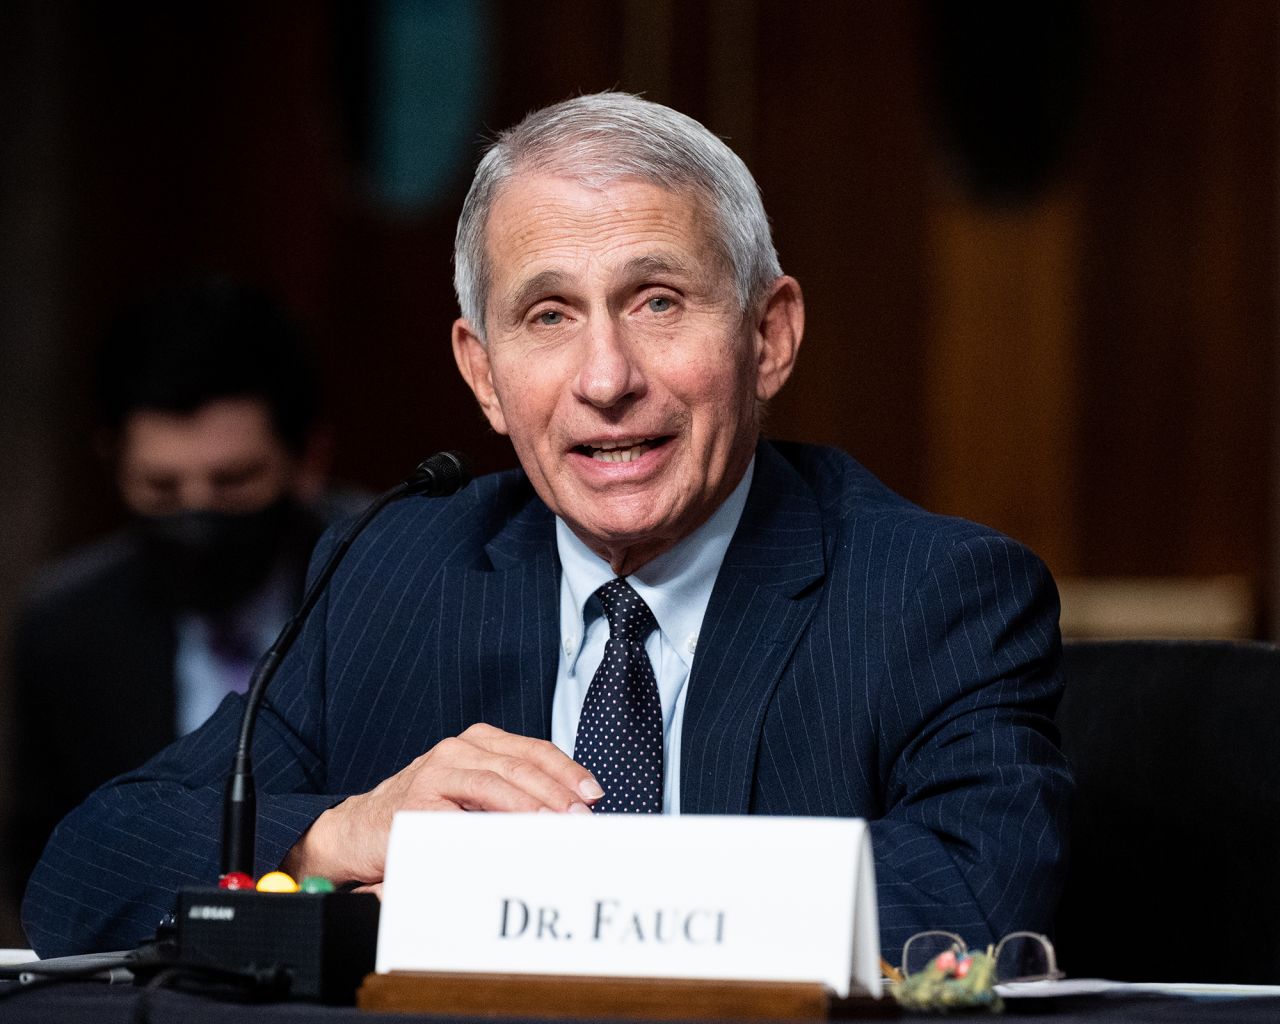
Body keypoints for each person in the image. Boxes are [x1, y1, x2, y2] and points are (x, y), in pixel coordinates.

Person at [23, 94, 1071, 963]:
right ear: (483, 374)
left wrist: (512, 891)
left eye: (656, 301)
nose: (606, 379)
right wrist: (336, 828)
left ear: (767, 336)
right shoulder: (397, 572)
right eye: (548, 316)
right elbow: (84, 872)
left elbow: (978, 907)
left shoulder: (931, 592)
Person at [7, 280, 342, 910]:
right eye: (161, 489)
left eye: (234, 482)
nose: (198, 518)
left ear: (307, 459)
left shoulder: (387, 584)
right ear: (112, 463)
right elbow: (45, 868)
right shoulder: (66, 629)